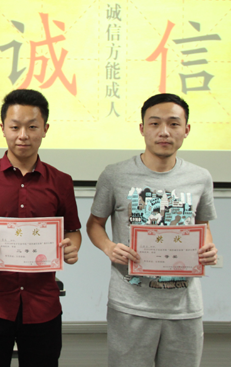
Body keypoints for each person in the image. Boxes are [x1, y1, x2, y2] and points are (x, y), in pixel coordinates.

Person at [86, 93, 218, 367]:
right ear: (142, 128)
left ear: (186, 129)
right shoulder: (115, 175)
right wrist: (109, 247)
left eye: (174, 124)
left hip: (184, 305)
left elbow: (202, 225)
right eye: (155, 123)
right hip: (130, 304)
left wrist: (208, 248)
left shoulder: (200, 177)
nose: (164, 132)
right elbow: (94, 224)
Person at [0, 89, 81, 367]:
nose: (23, 135)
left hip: (43, 304)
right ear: (3, 128)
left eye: (32, 127)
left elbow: (72, 230)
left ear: (45, 129)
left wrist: (72, 247)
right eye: (15, 127)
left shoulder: (61, 181)